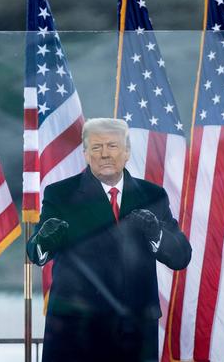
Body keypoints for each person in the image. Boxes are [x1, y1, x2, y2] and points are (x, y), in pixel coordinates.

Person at [27, 118, 192, 362]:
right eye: (96, 147)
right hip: (76, 331)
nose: (104, 154)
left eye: (112, 146)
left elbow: (181, 256)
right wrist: (44, 240)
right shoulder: (60, 194)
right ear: (85, 154)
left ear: (126, 152)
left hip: (135, 331)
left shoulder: (152, 195)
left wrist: (156, 233)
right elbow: (36, 252)